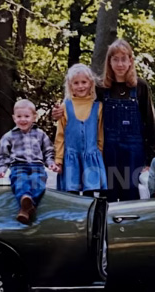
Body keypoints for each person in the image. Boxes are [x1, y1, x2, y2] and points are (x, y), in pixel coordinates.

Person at [52, 39, 155, 202]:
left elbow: (151, 123)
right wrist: (57, 112)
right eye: (115, 59)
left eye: (124, 59)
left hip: (133, 153)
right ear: (109, 62)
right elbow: (79, 103)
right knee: (107, 196)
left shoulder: (140, 87)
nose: (120, 64)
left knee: (130, 195)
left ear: (131, 61)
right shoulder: (102, 88)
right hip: (108, 152)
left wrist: (152, 158)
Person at [0, 99, 59, 224]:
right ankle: (26, 199)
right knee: (19, 181)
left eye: (26, 116)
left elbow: (48, 151)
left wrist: (51, 163)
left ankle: (26, 207)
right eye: (19, 116)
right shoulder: (9, 136)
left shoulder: (40, 134)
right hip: (18, 165)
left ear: (34, 117)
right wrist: (2, 169)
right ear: (14, 118)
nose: (22, 119)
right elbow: (3, 155)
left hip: (37, 165)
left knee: (37, 181)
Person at [54, 63, 107, 196]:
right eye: (76, 83)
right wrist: (58, 160)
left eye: (84, 82)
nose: (80, 86)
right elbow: (60, 135)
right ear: (70, 85)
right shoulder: (65, 106)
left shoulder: (98, 107)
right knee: (71, 194)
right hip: (71, 159)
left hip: (91, 157)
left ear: (91, 83)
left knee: (90, 194)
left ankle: (90, 216)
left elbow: (100, 133)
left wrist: (99, 153)